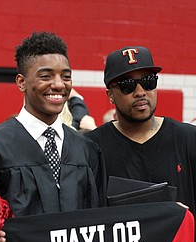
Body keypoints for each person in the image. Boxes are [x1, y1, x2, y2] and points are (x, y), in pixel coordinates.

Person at [0, 31, 106, 217]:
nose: (59, 85)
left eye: (66, 76)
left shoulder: (87, 149)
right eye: (46, 76)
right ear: (22, 82)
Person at [84, 46, 196, 216]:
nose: (140, 92)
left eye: (148, 82)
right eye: (127, 86)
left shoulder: (188, 139)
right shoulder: (92, 147)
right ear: (110, 95)